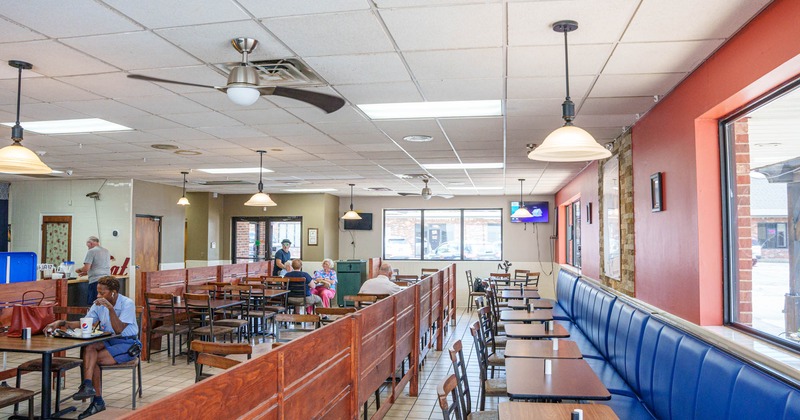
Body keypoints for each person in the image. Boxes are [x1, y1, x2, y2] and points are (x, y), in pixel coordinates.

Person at [44, 276, 139, 419]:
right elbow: (85, 323)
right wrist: (61, 322)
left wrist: (110, 309)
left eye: (102, 293)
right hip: (108, 339)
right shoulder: (98, 304)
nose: (98, 296)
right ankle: (87, 385)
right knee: (90, 347)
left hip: (127, 342)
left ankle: (97, 401)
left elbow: (119, 329)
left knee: (93, 359)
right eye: (98, 292)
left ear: (113, 293)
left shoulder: (127, 303)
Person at [75, 236, 111, 305]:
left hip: (96, 281)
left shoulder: (91, 251)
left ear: (90, 243)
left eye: (87, 245)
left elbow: (86, 267)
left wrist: (79, 270)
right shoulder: (106, 251)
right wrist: (86, 273)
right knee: (104, 303)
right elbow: (99, 266)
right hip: (107, 280)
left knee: (94, 304)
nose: (87, 247)